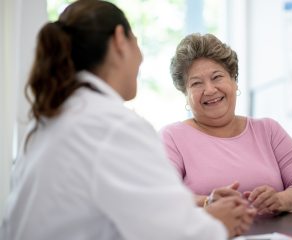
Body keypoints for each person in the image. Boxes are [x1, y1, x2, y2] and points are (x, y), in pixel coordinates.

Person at [0, 2, 256, 240]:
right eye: (137, 41)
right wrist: (218, 223)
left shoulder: (53, 118)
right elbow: (175, 234)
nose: (142, 57)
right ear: (120, 40)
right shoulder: (112, 126)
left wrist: (204, 214)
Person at [160, 33, 292, 215]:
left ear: (234, 81)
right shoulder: (172, 137)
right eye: (196, 83)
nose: (210, 90)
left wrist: (281, 200)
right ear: (185, 94)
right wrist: (207, 203)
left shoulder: (268, 130)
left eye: (217, 77)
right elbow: (162, 195)